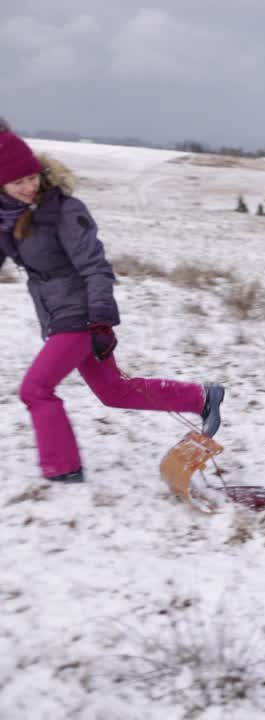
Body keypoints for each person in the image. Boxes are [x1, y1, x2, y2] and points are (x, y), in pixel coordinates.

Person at [0, 120, 225, 483]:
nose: (28, 187)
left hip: (80, 315)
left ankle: (63, 467)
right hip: (57, 315)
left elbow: (96, 267)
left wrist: (101, 320)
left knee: (35, 389)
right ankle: (202, 398)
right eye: (18, 182)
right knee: (112, 391)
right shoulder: (9, 219)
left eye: (31, 178)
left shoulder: (64, 211)